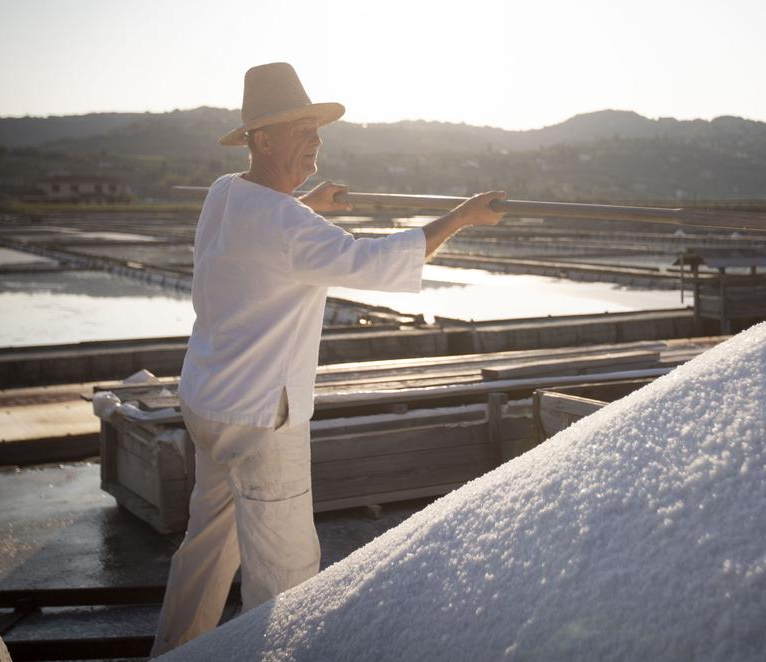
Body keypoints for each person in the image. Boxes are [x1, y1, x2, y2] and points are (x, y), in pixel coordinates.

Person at [151, 62, 505, 655]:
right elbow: (369, 262)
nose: (317, 140)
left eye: (318, 129)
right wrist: (462, 216)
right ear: (262, 139)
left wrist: (309, 201)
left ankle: (172, 651)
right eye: (301, 130)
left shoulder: (225, 192)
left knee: (207, 549)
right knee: (284, 577)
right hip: (262, 418)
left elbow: (270, 223)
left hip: (208, 404)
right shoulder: (288, 224)